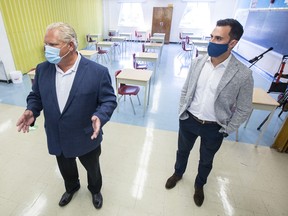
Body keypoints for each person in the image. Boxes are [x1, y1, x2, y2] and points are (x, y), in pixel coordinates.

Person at [16, 22, 117, 209]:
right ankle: (71, 187)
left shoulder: (97, 72)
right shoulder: (42, 69)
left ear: (70, 45)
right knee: (66, 167)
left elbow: (109, 100)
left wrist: (100, 116)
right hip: (57, 135)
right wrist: (32, 110)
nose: (46, 49)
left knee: (93, 168)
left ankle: (95, 190)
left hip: (87, 135)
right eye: (45, 44)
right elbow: (36, 96)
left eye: (52, 45)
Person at [165, 18, 254, 207]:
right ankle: (178, 173)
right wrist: (182, 112)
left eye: (218, 38)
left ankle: (199, 185)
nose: (212, 41)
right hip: (189, 120)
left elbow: (245, 107)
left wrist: (227, 129)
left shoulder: (243, 74)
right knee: (182, 151)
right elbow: (186, 89)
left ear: (232, 43)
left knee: (206, 160)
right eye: (211, 36)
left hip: (214, 128)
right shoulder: (198, 61)